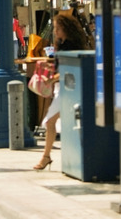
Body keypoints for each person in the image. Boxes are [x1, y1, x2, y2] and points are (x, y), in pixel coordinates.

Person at [34, 13, 88, 171]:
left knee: (51, 121)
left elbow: (67, 69)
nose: (55, 31)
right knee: (64, 123)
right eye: (55, 28)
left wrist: (51, 79)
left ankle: (46, 157)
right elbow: (61, 68)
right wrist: (50, 69)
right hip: (63, 88)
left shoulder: (70, 45)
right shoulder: (62, 43)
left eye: (58, 28)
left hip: (68, 89)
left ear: (66, 28)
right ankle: (50, 156)